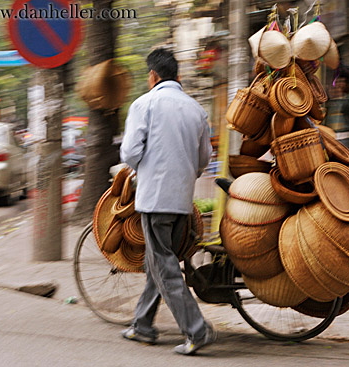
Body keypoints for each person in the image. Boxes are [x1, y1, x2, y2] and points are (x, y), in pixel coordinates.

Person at [119, 48, 215, 355]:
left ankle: (196, 330)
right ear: (179, 77)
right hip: (182, 199)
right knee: (158, 262)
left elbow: (131, 153)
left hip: (155, 198)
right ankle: (142, 325)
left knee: (164, 266)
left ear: (152, 76)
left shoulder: (145, 104)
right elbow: (204, 159)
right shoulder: (196, 110)